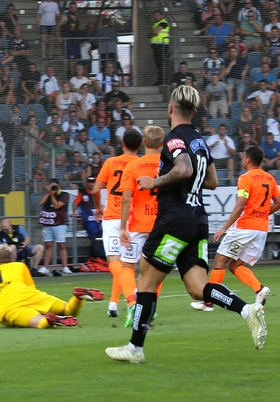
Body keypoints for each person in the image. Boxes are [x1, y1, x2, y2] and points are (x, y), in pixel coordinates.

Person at [106, 85, 267, 364]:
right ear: (194, 112)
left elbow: (184, 169)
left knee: (145, 281)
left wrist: (154, 181)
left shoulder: (174, 140)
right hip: (197, 220)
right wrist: (186, 178)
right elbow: (212, 182)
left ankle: (135, 348)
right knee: (197, 286)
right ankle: (246, 310)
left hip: (175, 219)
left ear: (170, 109)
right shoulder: (200, 141)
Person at [191, 145, 280, 311]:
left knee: (219, 260)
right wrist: (261, 213)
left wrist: (224, 227)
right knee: (234, 265)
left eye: (243, 156)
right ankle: (259, 290)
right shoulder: (269, 178)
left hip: (244, 228)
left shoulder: (245, 178)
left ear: (248, 160)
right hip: (261, 230)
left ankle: (208, 302)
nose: (241, 159)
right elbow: (279, 202)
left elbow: (240, 205)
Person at [0, 244, 104, 328]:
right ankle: (78, 298)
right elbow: (31, 287)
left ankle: (51, 320)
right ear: (11, 259)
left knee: (40, 322)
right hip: (29, 295)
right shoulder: (19, 265)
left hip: (9, 307)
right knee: (69, 310)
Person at [117, 126, 165, 327]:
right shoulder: (169, 164)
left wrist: (122, 228)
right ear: (162, 144)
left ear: (144, 143)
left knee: (127, 267)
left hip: (137, 225)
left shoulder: (133, 167)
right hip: (162, 225)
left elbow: (126, 200)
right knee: (158, 268)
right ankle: (150, 308)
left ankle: (132, 303)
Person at [93, 130, 143, 316]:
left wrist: (98, 207)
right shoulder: (141, 164)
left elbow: (96, 189)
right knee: (127, 264)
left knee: (114, 261)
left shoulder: (110, 162)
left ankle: (132, 294)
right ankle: (113, 304)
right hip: (132, 218)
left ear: (122, 143)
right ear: (140, 145)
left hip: (113, 217)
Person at [37, 177, 71, 276]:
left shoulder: (64, 195)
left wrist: (52, 195)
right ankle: (46, 267)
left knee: (61, 245)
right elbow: (41, 203)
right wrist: (48, 193)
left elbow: (56, 205)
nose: (53, 187)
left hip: (60, 223)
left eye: (55, 185)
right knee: (48, 245)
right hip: (48, 222)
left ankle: (65, 266)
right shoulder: (48, 194)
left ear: (59, 185)